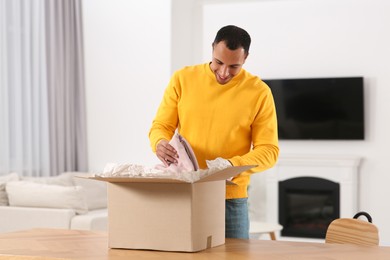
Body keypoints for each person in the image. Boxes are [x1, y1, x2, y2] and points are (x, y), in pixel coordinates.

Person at [148, 25, 279, 239]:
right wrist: (159, 142)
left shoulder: (259, 92)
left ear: (245, 58)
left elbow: (269, 151)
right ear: (212, 49)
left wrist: (232, 165)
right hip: (185, 192)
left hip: (230, 199)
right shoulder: (183, 79)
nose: (224, 73)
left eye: (233, 66)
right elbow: (161, 126)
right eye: (219, 62)